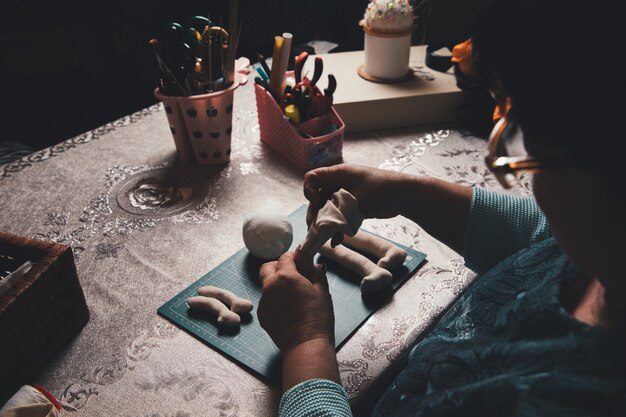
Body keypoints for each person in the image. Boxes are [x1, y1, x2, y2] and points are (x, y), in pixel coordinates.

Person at [257, 0, 626, 415]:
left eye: (537, 150)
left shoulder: (570, 399)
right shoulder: (601, 251)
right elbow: (541, 240)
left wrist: (306, 346)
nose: (527, 177)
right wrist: (406, 192)